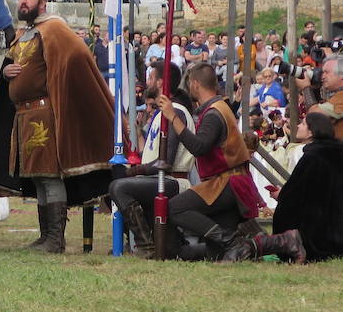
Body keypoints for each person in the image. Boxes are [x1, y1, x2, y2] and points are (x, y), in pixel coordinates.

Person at [0, 0, 114, 253]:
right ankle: (46, 236)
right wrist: (6, 73)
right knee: (36, 177)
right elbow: (17, 68)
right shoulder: (25, 33)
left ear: (42, 2)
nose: (23, 1)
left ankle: (55, 239)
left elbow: (78, 56)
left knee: (49, 175)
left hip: (45, 113)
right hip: (23, 115)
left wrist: (58, 91)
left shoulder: (54, 29)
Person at [160, 63, 265, 261]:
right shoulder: (220, 108)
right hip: (230, 182)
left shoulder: (214, 114)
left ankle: (231, 241)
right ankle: (281, 242)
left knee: (175, 208)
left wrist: (173, 117)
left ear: (195, 84)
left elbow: (199, 147)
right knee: (214, 254)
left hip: (227, 184)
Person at [109, 61, 195, 258]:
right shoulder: (161, 113)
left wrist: (134, 171)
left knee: (119, 187)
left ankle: (145, 246)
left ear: (159, 82)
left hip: (172, 182)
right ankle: (154, 242)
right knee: (173, 251)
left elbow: (166, 162)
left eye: (150, 77)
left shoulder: (176, 112)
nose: (147, 82)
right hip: (157, 181)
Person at [272, 113, 342, 261]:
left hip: (316, 234)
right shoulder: (337, 152)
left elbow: (295, 192)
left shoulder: (312, 157)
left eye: (303, 124)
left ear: (312, 131)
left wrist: (281, 195)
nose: (298, 126)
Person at [297, 54, 343, 140]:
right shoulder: (337, 95)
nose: (322, 76)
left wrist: (306, 88)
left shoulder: (341, 98)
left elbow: (315, 115)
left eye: (327, 72)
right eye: (322, 72)